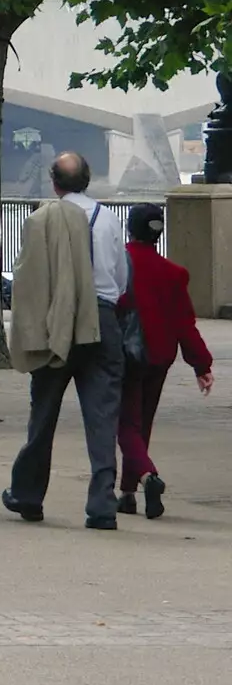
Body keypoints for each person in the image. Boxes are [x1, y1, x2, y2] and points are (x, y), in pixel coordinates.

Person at [3, 152, 127, 530]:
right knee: (102, 416)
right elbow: (121, 279)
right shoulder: (107, 219)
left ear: (54, 183)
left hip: (58, 321)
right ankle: (103, 503)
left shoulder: (41, 219)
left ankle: (29, 494)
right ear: (88, 180)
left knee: (43, 413)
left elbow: (29, 278)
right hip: (103, 319)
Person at [116, 203, 214, 519]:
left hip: (126, 354)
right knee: (143, 421)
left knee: (125, 424)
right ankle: (128, 493)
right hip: (159, 356)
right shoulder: (173, 273)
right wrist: (202, 365)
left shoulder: (120, 264)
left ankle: (147, 477)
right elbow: (185, 324)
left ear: (129, 228)